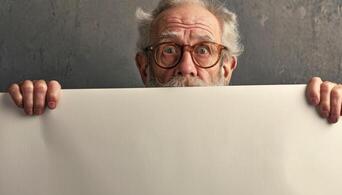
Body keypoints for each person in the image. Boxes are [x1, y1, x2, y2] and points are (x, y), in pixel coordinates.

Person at [7, 0, 342, 123]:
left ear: (226, 68)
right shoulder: (97, 132)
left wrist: (332, 114)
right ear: (143, 66)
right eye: (168, 49)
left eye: (203, 49)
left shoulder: (283, 129)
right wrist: (27, 121)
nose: (185, 67)